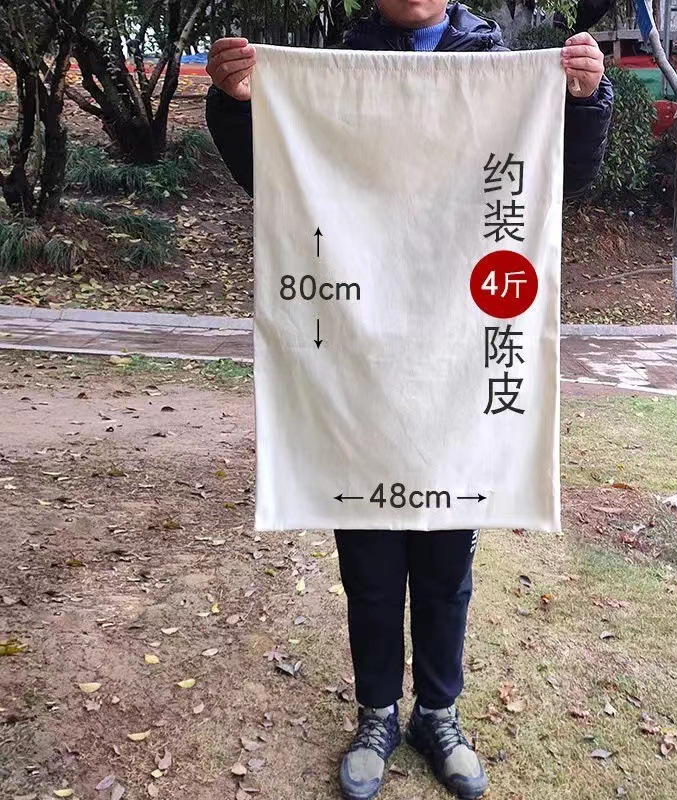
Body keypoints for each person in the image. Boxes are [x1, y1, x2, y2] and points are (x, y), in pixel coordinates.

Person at [205, 4, 611, 799]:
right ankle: (376, 714)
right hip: (361, 365)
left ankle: (438, 713)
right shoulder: (336, 67)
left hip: (457, 361)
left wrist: (586, 99)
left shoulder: (494, 64)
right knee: (369, 558)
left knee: (447, 558)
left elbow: (565, 175)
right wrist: (237, 103)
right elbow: (274, 176)